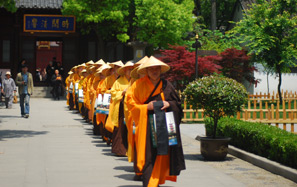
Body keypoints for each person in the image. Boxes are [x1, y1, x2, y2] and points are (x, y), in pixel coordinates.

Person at [128, 56, 185, 187]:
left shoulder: (167, 85)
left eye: (157, 69)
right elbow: (130, 105)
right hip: (146, 125)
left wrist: (168, 103)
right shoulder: (138, 85)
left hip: (163, 124)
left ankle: (156, 181)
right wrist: (146, 107)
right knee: (148, 155)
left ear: (160, 70)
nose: (154, 71)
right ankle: (149, 183)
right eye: (151, 69)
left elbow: (177, 104)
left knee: (162, 153)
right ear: (146, 71)